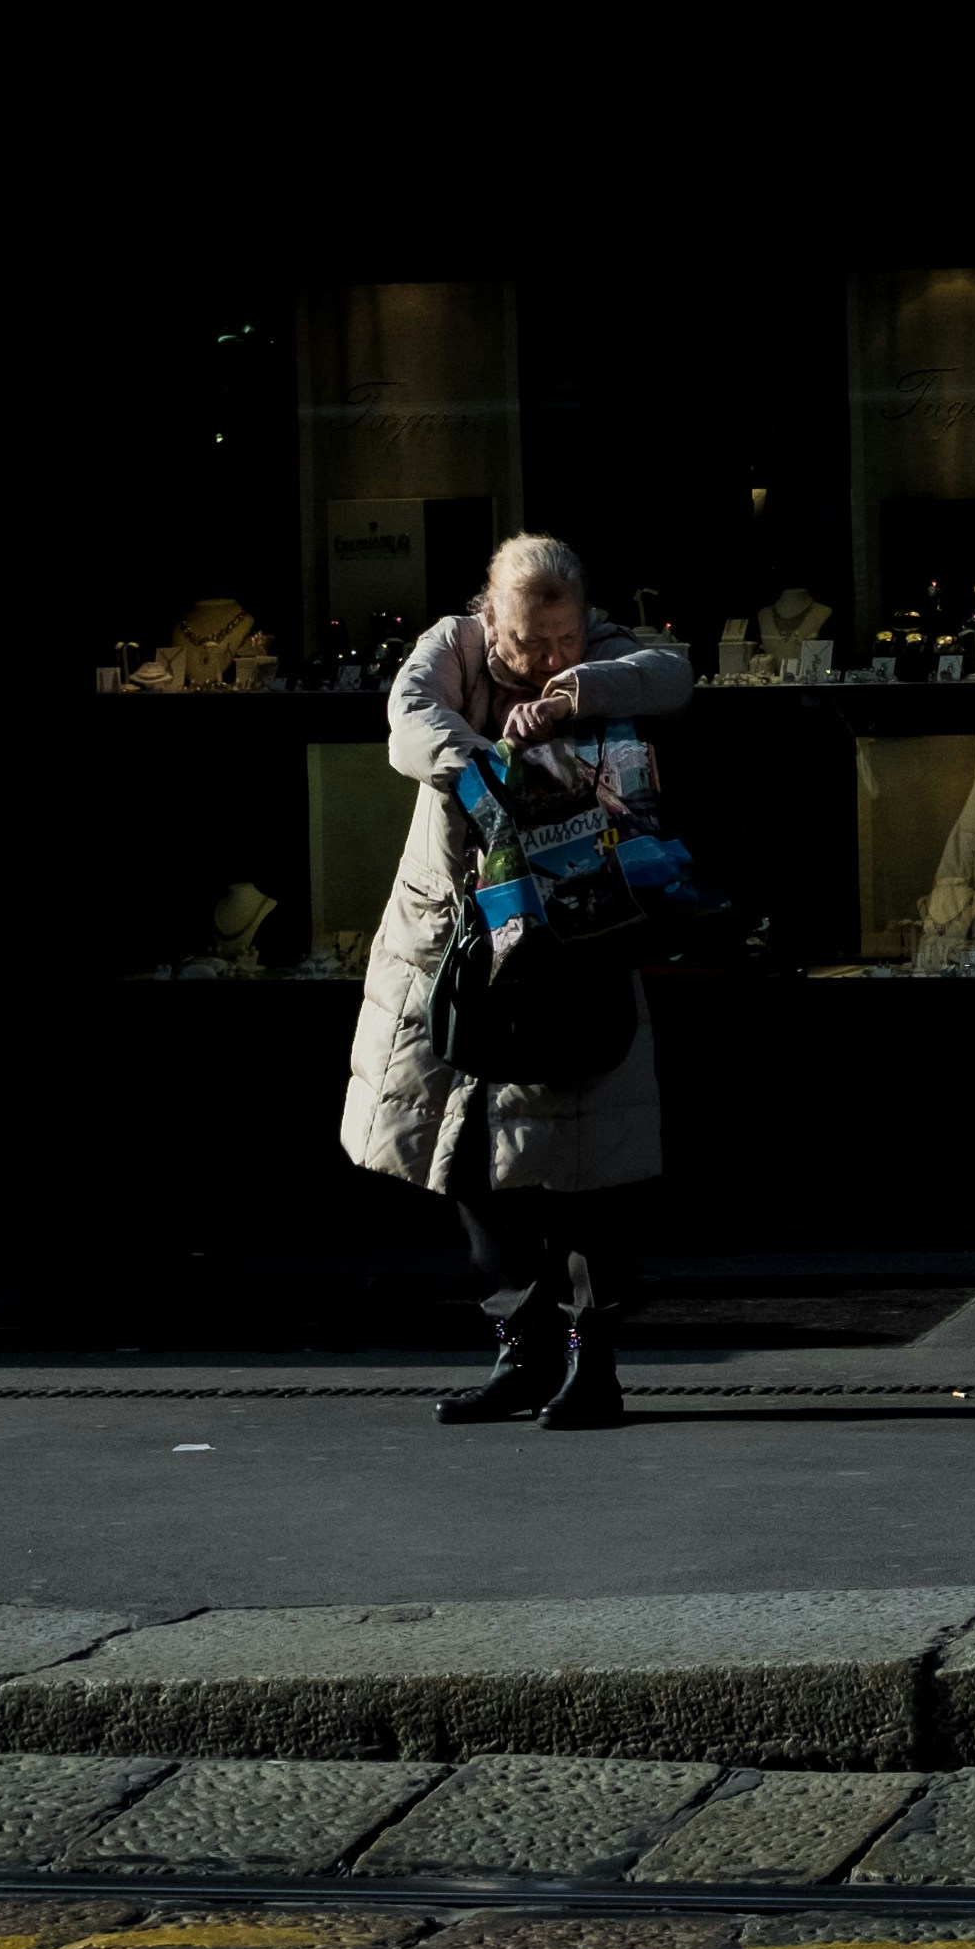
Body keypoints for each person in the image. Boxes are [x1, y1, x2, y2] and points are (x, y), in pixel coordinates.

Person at [342, 534, 693, 1427]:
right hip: (453, 947)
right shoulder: (448, 651)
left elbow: (670, 674)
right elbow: (409, 717)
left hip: (573, 943)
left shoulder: (598, 656)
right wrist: (485, 767)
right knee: (462, 1156)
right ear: (489, 616)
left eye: (563, 639)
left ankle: (592, 1362)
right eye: (531, 643)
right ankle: (520, 1350)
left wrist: (575, 690)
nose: (547, 659)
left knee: (582, 1161)